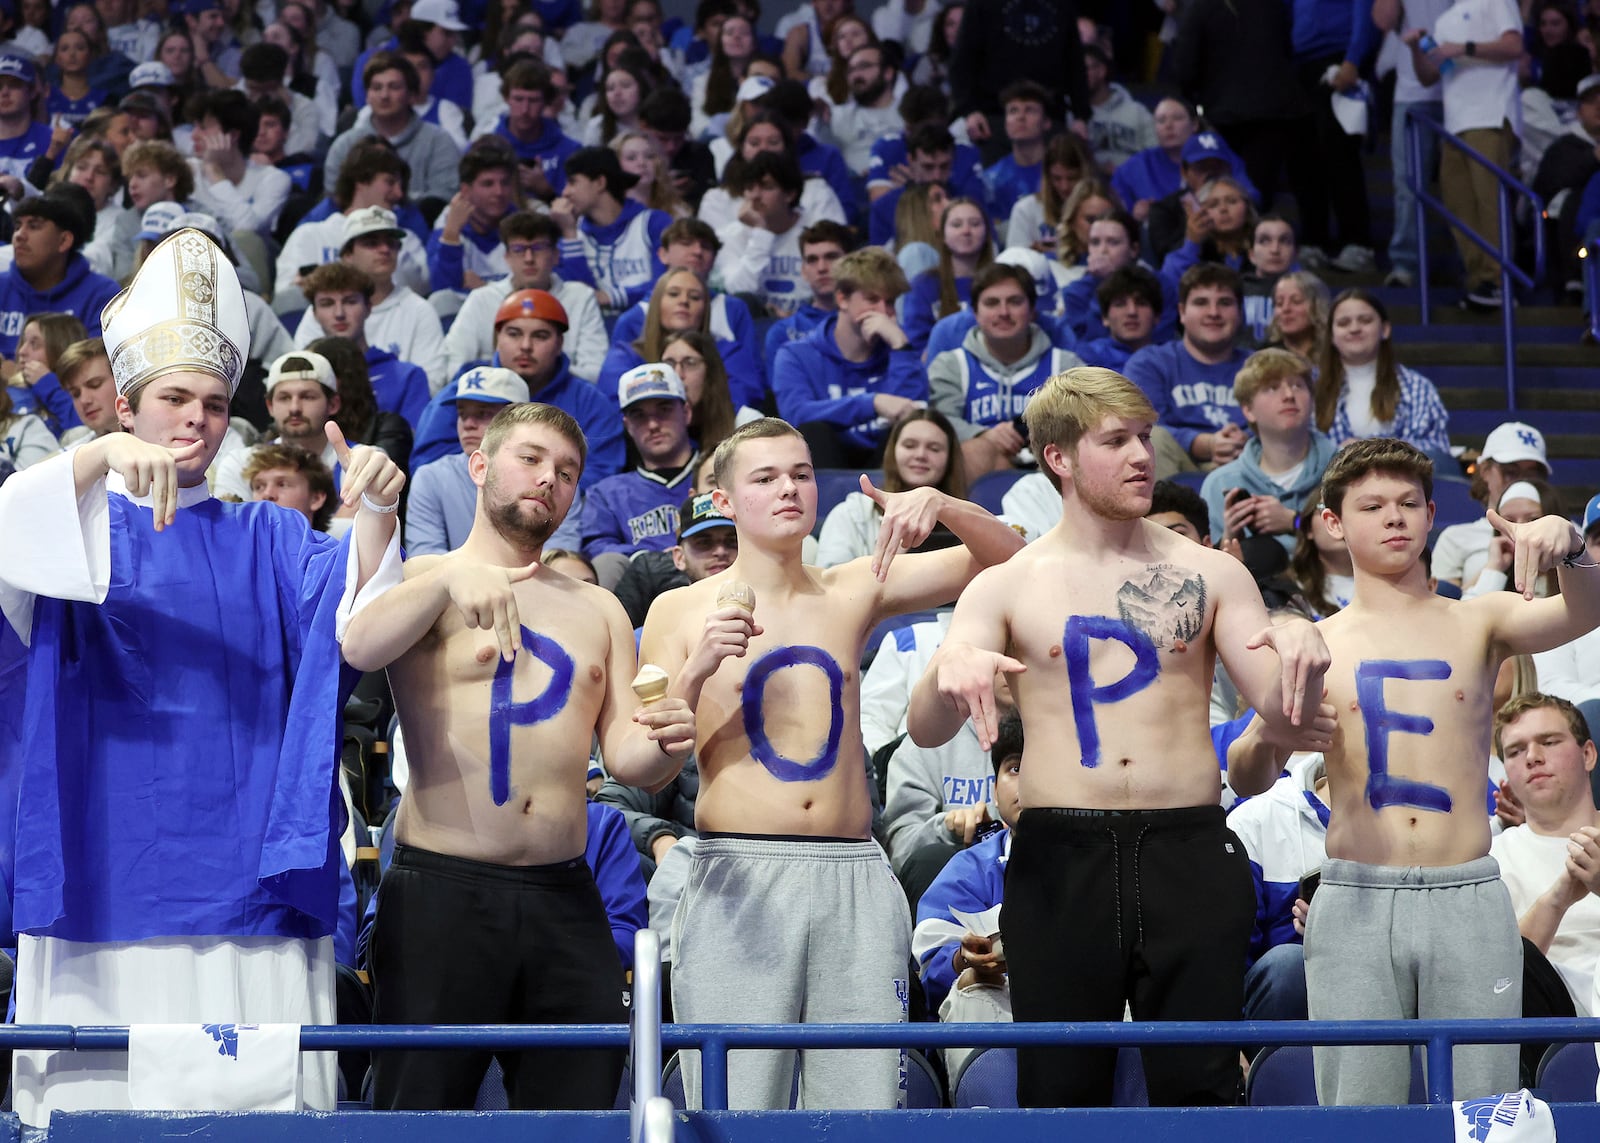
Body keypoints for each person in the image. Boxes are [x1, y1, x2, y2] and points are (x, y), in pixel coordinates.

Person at [0, 227, 405, 1128]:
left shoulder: (267, 534)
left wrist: (376, 506)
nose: (195, 419)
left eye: (216, 404)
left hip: (243, 873)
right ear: (126, 408)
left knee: (246, 1118)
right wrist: (95, 462)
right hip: (102, 866)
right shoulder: (78, 520)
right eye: (174, 397)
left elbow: (359, 625)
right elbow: (5, 547)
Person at [908, 366, 1333, 1107]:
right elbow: (925, 723)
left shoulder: (1211, 574)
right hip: (1059, 857)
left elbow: (1280, 705)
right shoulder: (1007, 582)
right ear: (1059, 459)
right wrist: (951, 665)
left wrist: (1296, 634)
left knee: (1200, 1086)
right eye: (1117, 440)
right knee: (1060, 1087)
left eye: (1144, 436)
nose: (1143, 455)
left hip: (1189, 849)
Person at [640, 414, 1025, 1110]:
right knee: (734, 1103)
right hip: (738, 872)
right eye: (765, 477)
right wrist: (697, 668)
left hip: (853, 869)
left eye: (801, 473)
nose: (789, 487)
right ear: (722, 501)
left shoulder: (856, 583)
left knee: (861, 1106)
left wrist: (945, 504)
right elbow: (648, 759)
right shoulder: (678, 608)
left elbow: (1015, 560)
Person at [338, 400, 695, 1111]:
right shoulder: (422, 574)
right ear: (478, 464)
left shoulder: (596, 607)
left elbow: (627, 759)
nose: (549, 479)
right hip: (440, 888)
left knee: (581, 1111)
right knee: (419, 1113)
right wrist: (444, 579)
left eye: (566, 471)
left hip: (565, 891)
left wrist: (665, 742)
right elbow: (357, 643)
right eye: (530, 458)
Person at [1302, 437, 1600, 1105]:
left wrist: (1572, 543)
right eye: (1373, 504)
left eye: (1409, 502)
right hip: (1355, 890)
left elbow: (1588, 610)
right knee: (1358, 1110)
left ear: (1433, 513)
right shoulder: (1317, 639)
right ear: (1334, 522)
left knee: (1484, 1106)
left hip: (1466, 888)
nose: (1394, 516)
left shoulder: (1480, 617)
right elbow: (1249, 764)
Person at [910, 708, 1024, 1088]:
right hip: (998, 1003)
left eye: (1037, 767)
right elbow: (930, 959)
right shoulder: (971, 867)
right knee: (973, 991)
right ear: (993, 788)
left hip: (1080, 1002)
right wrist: (964, 960)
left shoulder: (1102, 861)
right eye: (1013, 769)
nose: (1024, 784)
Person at [1402, 0, 1522, 310]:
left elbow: (1513, 46)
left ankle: (1501, 282)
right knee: (1458, 204)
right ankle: (1479, 281)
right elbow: (1431, 74)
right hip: (1454, 122)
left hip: (1490, 115)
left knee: (1488, 202)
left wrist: (1463, 47)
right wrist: (1416, 48)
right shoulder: (1445, 20)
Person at [1492, 692, 1600, 1014]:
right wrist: (1559, 898)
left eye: (1549, 742)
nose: (1533, 757)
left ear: (1588, 755)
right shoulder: (1491, 861)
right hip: (1548, 1027)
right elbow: (1497, 984)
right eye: (1515, 750)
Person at [770, 246, 925, 469]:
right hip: (825, 464)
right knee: (814, 431)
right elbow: (797, 414)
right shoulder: (795, 355)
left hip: (883, 464)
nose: (883, 312)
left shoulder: (900, 351)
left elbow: (912, 415)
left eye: (890, 302)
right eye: (872, 299)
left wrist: (901, 348)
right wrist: (872, 403)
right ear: (842, 298)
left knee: (904, 433)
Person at [928, 262, 1084, 476]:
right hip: (981, 473)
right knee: (975, 451)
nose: (1003, 312)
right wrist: (982, 434)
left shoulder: (1066, 366)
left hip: (1049, 469)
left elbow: (1087, 423)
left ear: (1032, 311)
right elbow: (938, 423)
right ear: (975, 313)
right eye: (992, 303)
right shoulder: (952, 364)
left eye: (1014, 302)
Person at [1200, 348, 1336, 556]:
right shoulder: (1221, 483)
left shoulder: (1345, 469)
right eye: (1272, 388)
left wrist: (1295, 520)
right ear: (1248, 410)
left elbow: (1364, 539)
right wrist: (1231, 536)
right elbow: (1211, 570)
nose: (1289, 395)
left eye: (1298, 386)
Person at [294, 205, 448, 389]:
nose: (384, 250)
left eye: (391, 243)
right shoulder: (321, 310)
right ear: (348, 255)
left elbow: (432, 382)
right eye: (371, 243)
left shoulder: (419, 310)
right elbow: (302, 377)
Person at [1123, 263, 1252, 478]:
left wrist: (1246, 441)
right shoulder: (1149, 363)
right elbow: (1140, 425)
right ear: (1182, 312)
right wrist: (1203, 444)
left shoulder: (1258, 365)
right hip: (1177, 464)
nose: (1213, 313)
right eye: (1201, 302)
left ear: (1240, 313)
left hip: (1248, 464)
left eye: (1225, 303)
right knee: (1153, 437)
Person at [581, 362, 701, 587]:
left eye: (664, 410)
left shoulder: (718, 474)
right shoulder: (606, 494)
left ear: (685, 412)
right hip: (639, 595)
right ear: (627, 425)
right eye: (639, 416)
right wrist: (650, 560)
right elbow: (597, 547)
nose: (653, 424)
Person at [1314, 289, 1451, 466]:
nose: (1354, 328)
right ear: (1331, 335)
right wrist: (1336, 452)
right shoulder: (1310, 388)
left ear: (1385, 329)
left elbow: (1437, 451)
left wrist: (1376, 452)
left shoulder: (1417, 387)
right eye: (1343, 323)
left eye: (1365, 320)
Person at [817, 408, 968, 566]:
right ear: (892, 452)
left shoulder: (966, 522)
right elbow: (830, 584)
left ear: (950, 458)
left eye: (934, 449)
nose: (921, 455)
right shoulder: (850, 515)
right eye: (909, 446)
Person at [406, 366, 530, 556]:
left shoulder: (549, 479)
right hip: (455, 586)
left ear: (520, 421)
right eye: (462, 414)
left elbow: (560, 559)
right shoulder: (431, 477)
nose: (468, 424)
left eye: (482, 414)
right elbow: (425, 560)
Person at [947, 0, 1088, 162]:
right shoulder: (982, 4)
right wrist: (969, 111)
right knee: (998, 182)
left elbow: (1075, 62)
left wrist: (1081, 115)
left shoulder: (1062, 5)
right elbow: (961, 62)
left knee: (1055, 181)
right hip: (994, 119)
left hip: (1049, 117)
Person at [1373, 0, 1450, 289]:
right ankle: (1406, 264)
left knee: (1463, 188)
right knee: (1408, 185)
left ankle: (1471, 269)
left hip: (1464, 89)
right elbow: (1383, 20)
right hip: (1412, 92)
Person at [302, 264, 431, 429]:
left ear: (369, 308)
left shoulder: (407, 376)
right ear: (314, 313)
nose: (339, 313)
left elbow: (412, 444)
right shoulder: (303, 377)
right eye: (327, 304)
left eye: (350, 301)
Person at [0, 190, 121, 367]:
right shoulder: (2, 286)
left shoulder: (102, 296)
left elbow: (96, 374)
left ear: (64, 240)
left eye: (34, 226)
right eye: (18, 226)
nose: (19, 235)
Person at [325, 53, 461, 205]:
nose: (384, 95)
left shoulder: (439, 142)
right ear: (367, 96)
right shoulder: (345, 145)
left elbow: (443, 198)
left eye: (394, 87)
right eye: (376, 88)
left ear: (411, 95)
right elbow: (335, 199)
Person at [1433, 421, 1551, 592]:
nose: (1522, 481)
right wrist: (1494, 567)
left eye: (1532, 474)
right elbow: (1444, 609)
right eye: (1510, 472)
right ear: (1485, 471)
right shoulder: (1456, 538)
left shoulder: (1567, 535)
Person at [554, 144, 671, 313]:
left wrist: (612, 296)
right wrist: (570, 235)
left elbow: (667, 283)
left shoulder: (653, 223)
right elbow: (578, 300)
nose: (565, 192)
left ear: (600, 183)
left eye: (572, 182)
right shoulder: (569, 230)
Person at [712, 149, 808, 317]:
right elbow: (739, 294)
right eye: (750, 188)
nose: (755, 196)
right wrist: (761, 233)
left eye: (766, 187)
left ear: (790, 194)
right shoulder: (728, 237)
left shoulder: (814, 232)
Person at [427, 140, 521, 297]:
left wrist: (486, 289)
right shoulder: (447, 227)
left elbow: (540, 287)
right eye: (488, 184)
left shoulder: (523, 225)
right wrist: (451, 237)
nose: (499, 192)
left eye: (504, 183)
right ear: (465, 190)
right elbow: (442, 294)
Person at [902, 197, 993, 352]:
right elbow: (916, 347)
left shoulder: (1003, 282)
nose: (966, 231)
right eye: (956, 225)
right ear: (942, 235)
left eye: (975, 224)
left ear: (986, 232)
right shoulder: (923, 285)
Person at [481, 60, 580, 202]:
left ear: (546, 101)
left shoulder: (571, 152)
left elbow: (582, 213)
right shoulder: (484, 149)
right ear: (506, 98)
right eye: (518, 99)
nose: (525, 110)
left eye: (533, 100)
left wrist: (548, 191)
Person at [763, 218, 851, 375]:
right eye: (812, 260)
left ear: (851, 263)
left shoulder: (869, 321)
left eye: (831, 257)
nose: (822, 268)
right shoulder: (783, 333)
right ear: (803, 271)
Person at [827, 41, 903, 175]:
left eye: (864, 67)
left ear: (888, 73)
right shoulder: (837, 115)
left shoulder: (908, 112)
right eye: (851, 70)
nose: (856, 75)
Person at [1082, 44, 1155, 176]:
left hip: (1134, 185)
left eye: (1084, 69)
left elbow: (1156, 156)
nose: (1078, 75)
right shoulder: (1071, 116)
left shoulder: (1137, 112)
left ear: (1102, 70)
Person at [1074, 264, 1162, 372]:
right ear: (1105, 317)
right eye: (1120, 304)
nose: (1132, 312)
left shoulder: (1172, 360)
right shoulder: (1085, 359)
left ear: (1157, 316)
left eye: (1141, 303)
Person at [242, 442, 337, 532]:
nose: (267, 494)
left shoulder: (342, 549)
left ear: (316, 499)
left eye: (282, 484)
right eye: (259, 487)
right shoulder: (237, 547)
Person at [1263, 270, 1329, 365]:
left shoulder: (1336, 353)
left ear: (1317, 306)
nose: (1285, 309)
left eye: (1296, 301)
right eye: (1279, 303)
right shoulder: (1264, 357)